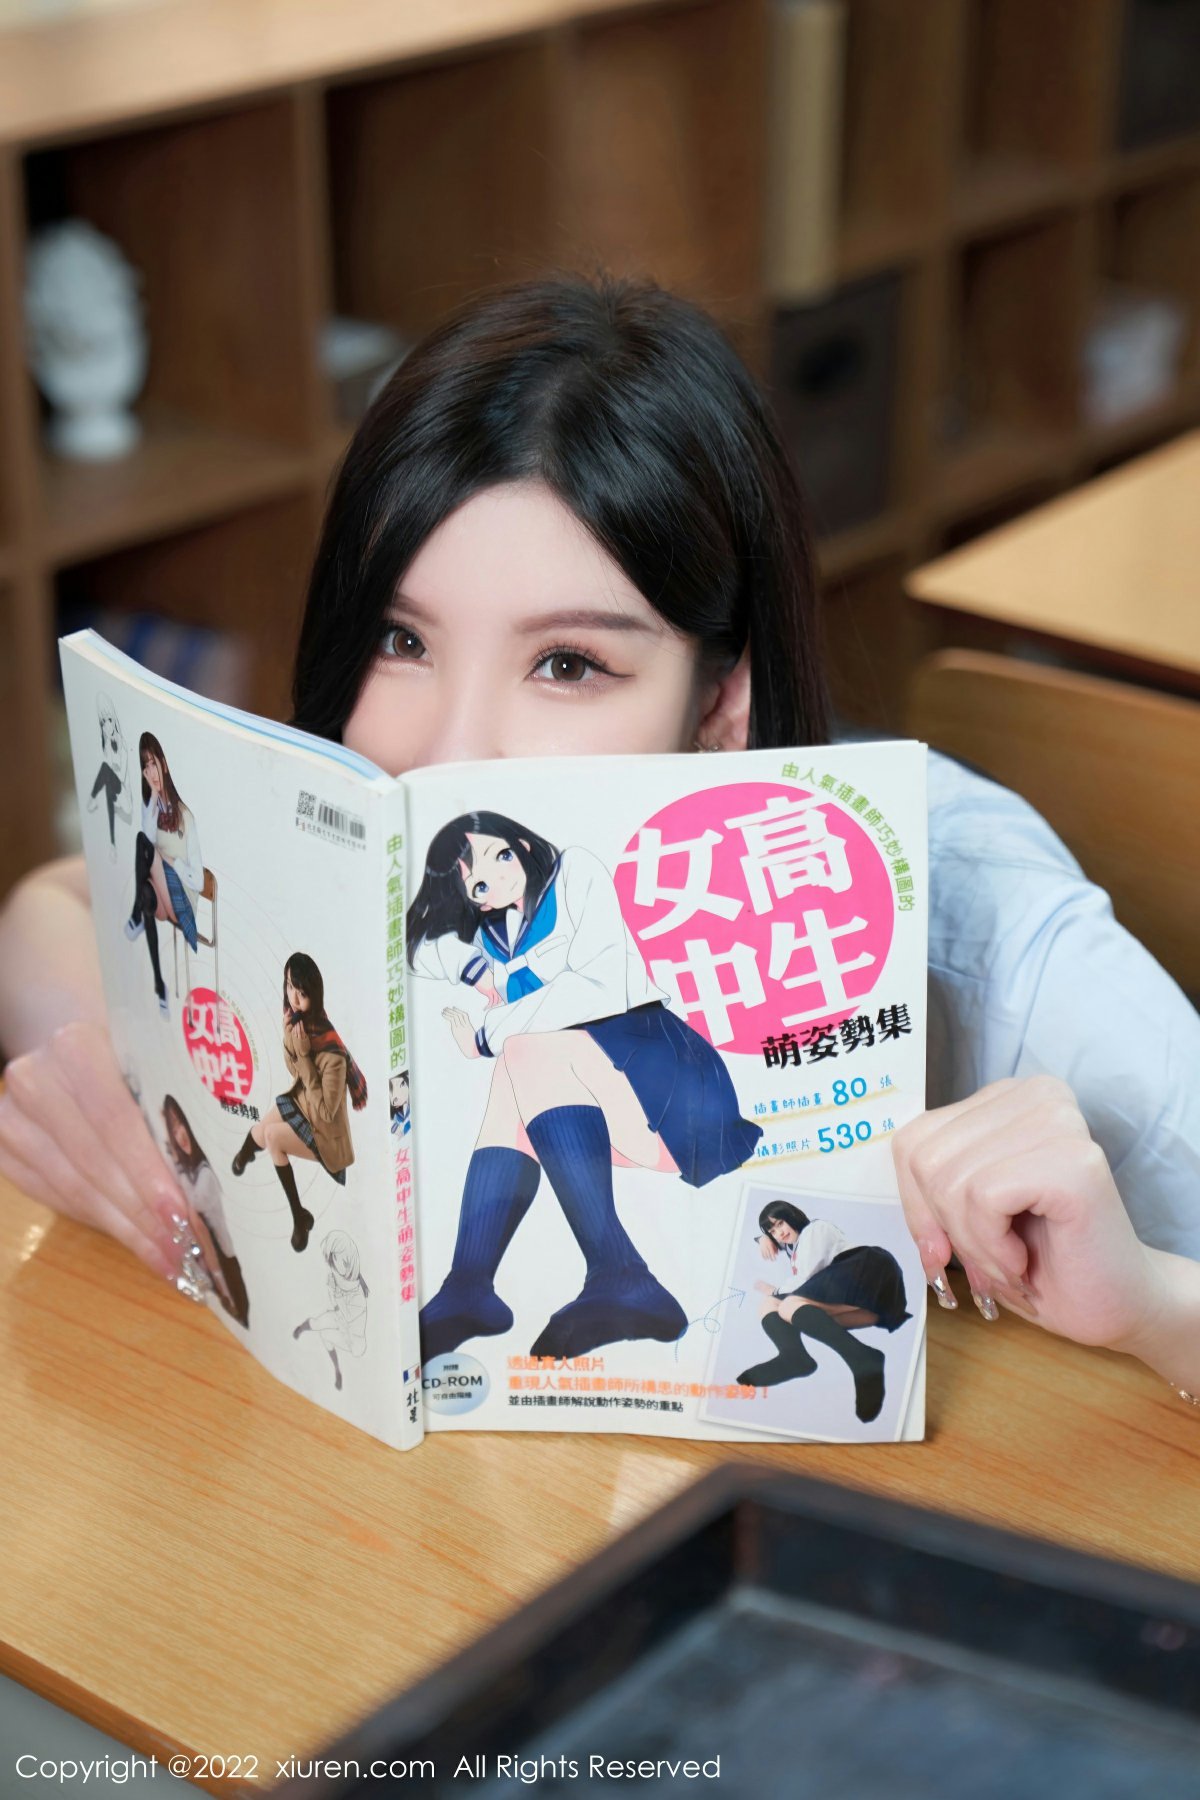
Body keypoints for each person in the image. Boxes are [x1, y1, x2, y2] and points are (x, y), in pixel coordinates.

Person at [0, 271, 1196, 1407]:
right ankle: (539, 1282)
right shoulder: (402, 848)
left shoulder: (996, 939)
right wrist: (103, 1074)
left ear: (722, 703)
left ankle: (583, 1278)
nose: (450, 752)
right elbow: (51, 903)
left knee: (535, 1059)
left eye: (568, 664)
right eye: (402, 640)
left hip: (737, 1212)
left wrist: (1150, 1302)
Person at [408, 810, 760, 1361]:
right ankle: (470, 1287)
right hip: (594, 1103)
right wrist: (473, 969)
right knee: (516, 1074)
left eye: (502, 856)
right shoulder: (493, 934)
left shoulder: (574, 873)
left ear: (523, 843)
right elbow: (415, 946)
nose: (497, 879)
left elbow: (598, 984)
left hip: (663, 1078)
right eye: (478, 885)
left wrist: (486, 1032)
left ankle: (619, 1273)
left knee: (524, 1051)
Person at [230, 953, 367, 1253]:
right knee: (261, 1128)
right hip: (304, 1103)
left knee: (271, 1137)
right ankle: (246, 1152)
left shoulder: (332, 1053)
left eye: (301, 993)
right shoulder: (301, 1024)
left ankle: (299, 1217)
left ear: (314, 996)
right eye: (289, 986)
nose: (293, 998)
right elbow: (294, 1071)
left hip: (327, 1136)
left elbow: (326, 1112)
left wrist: (304, 1054)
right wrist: (290, 1038)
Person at [735, 1200, 910, 1423]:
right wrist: (762, 1238)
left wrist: (775, 1289)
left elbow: (806, 1276)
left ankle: (862, 1358)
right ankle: (793, 1356)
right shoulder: (794, 1247)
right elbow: (800, 1276)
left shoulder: (815, 1230)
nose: (780, 1233)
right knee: (770, 1304)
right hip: (863, 1303)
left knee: (786, 1303)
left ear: (792, 1216)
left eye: (781, 1224)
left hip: (869, 1271)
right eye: (773, 1231)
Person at [125, 733, 203, 1020]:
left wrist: (173, 862)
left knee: (144, 845)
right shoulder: (152, 808)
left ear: (165, 764)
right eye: (145, 766)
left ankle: (135, 916)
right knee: (146, 894)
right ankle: (160, 987)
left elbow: (198, 881)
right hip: (160, 895)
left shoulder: (186, 817)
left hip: (182, 901)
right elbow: (146, 844)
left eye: (153, 763)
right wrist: (154, 796)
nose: (151, 771)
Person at [162, 1093, 250, 1328]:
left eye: (180, 1124)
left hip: (225, 1256)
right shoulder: (191, 1171)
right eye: (173, 1129)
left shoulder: (204, 1172)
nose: (180, 1134)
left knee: (241, 1316)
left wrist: (176, 1161)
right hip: (215, 1260)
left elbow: (197, 1203)